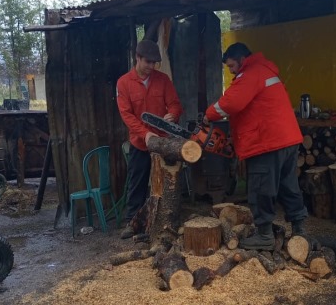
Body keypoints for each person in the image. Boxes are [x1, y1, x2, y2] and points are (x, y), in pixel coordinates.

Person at [204, 43, 307, 250]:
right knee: (289, 186)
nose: (231, 71)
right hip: (287, 139)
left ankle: (265, 235)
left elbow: (231, 103)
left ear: (242, 59)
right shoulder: (266, 69)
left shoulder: (251, 73)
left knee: (261, 188)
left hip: (267, 141)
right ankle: (299, 230)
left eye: (232, 66)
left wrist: (208, 115)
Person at [116, 39, 183, 239]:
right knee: (137, 183)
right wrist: (145, 134)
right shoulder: (124, 83)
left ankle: (164, 223)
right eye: (148, 62)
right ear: (137, 58)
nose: (151, 67)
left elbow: (175, 104)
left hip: (163, 143)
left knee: (165, 185)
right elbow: (127, 115)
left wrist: (173, 114)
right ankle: (133, 222)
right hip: (139, 143)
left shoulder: (163, 80)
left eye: (155, 63)